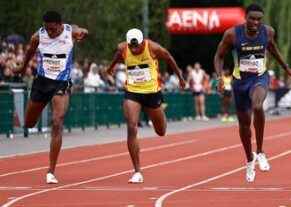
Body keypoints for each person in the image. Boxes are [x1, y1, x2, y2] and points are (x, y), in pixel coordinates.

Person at [214, 4, 291, 182]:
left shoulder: (267, 32)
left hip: (259, 78)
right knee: (244, 125)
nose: (256, 22)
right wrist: (219, 77)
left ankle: (260, 151)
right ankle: (249, 159)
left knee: (258, 105)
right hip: (239, 82)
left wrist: (287, 68)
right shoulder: (232, 34)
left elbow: (273, 49)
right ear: (245, 18)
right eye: (252, 18)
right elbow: (219, 56)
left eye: (259, 19)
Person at [14, 11, 88, 184]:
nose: (50, 32)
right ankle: (38, 110)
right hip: (41, 83)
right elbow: (30, 52)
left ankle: (51, 171)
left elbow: (81, 30)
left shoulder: (70, 32)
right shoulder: (38, 36)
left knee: (57, 121)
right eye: (46, 29)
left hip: (61, 83)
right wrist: (22, 68)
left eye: (53, 29)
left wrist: (83, 32)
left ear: (60, 25)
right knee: (29, 123)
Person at [106, 29, 186, 183]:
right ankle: (137, 171)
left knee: (161, 131)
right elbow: (117, 56)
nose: (134, 49)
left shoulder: (153, 48)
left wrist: (180, 77)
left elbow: (169, 58)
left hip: (152, 93)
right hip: (132, 92)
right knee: (131, 126)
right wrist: (111, 67)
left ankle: (161, 114)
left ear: (143, 41)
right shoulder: (123, 48)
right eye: (132, 46)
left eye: (137, 46)